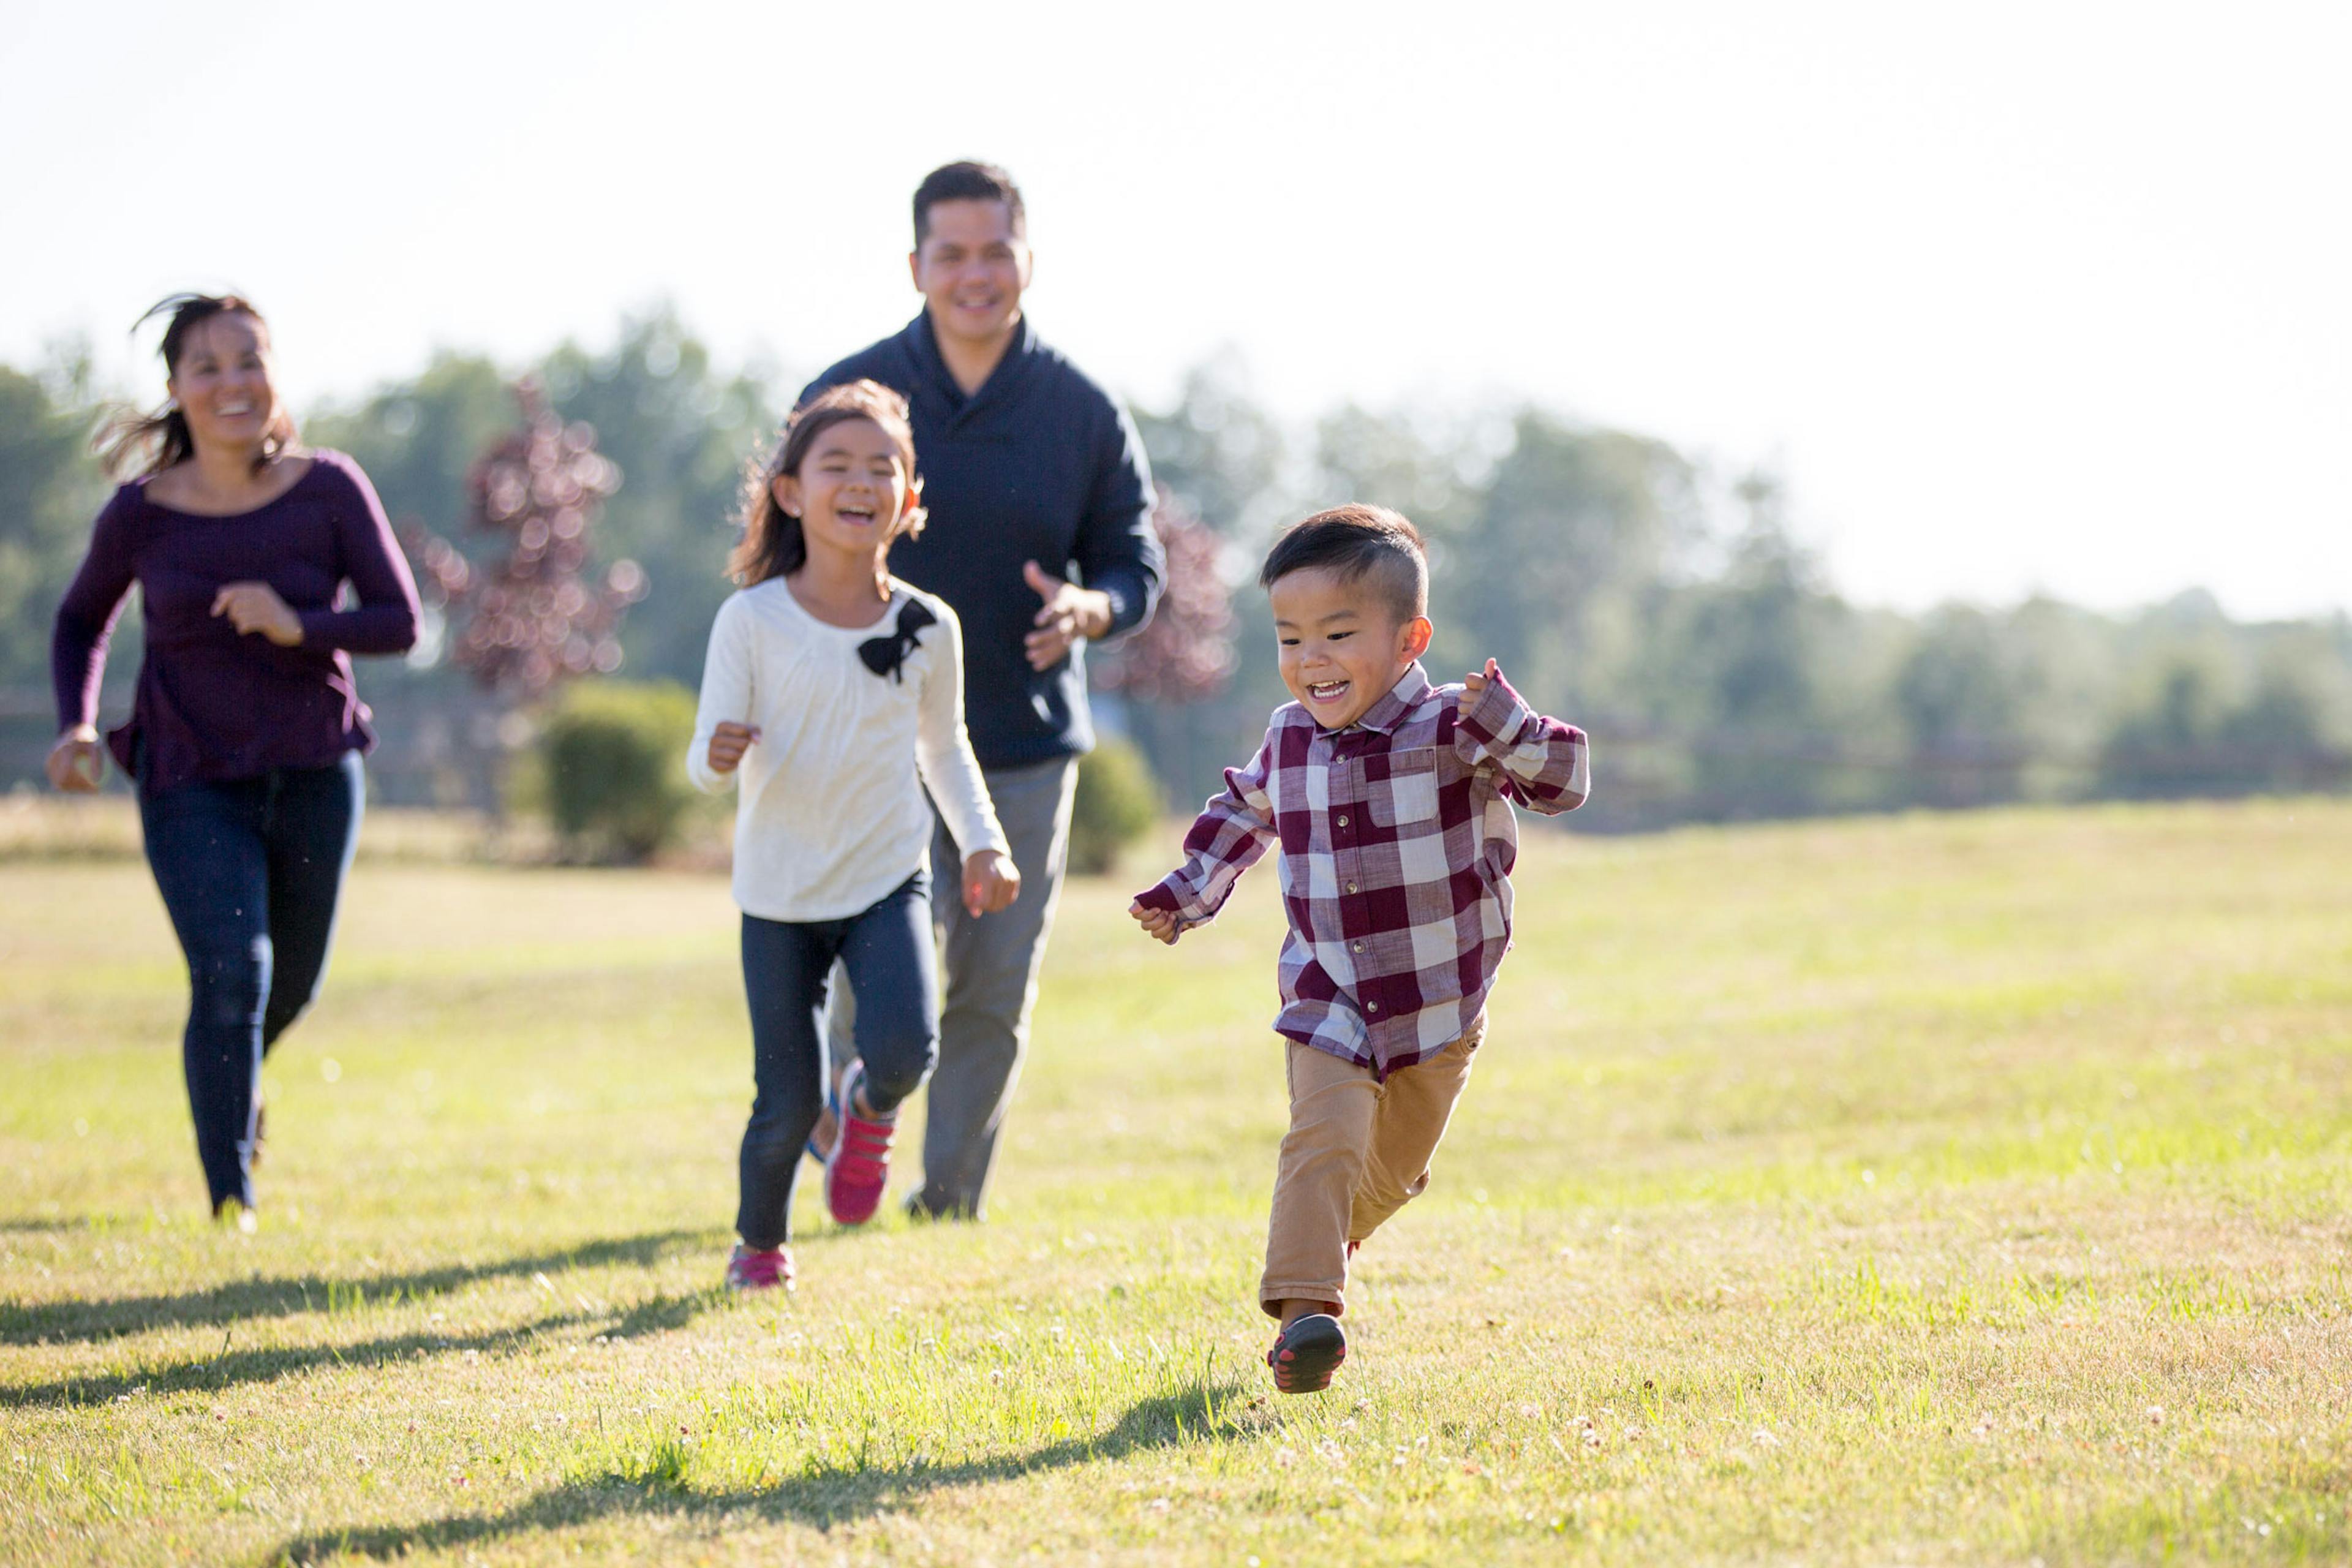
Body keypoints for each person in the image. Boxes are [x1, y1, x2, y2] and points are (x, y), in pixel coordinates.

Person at [1128, 505, 1591, 1392]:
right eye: (1290, 637)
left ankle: (1333, 1233)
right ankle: (1308, 1315)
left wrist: (1512, 727)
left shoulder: (1460, 727)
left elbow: (1566, 782)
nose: (1312, 660)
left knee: (1388, 1174)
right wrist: (1186, 895)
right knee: (1322, 1136)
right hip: (1328, 987)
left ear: (1410, 637)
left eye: (1339, 634)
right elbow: (1242, 815)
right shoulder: (1287, 734)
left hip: (1440, 1003)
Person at [798, 160, 1164, 1219]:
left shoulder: (1083, 411)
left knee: (992, 991)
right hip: (871, 738)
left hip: (1026, 744)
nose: (974, 274)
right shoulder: (850, 395)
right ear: (915, 265)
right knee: (870, 977)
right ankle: (847, 1130)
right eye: (951, 254)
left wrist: (1095, 609)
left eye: (995, 251)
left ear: (1027, 262)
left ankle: (946, 1202)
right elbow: (786, 550)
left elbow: (1137, 562)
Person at [47, 293, 421, 1230]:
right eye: (206, 367)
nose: (231, 383)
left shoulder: (329, 486)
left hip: (313, 770)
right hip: (188, 775)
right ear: (175, 389)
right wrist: (79, 723)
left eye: (247, 361)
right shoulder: (141, 514)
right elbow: (80, 618)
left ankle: (236, 1092)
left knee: (289, 983)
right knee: (232, 971)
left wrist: (300, 624)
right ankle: (231, 1199)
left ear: (274, 372)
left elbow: (400, 620)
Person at [688, 380, 1019, 1290]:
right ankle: (760, 1248)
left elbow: (943, 747)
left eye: (884, 467)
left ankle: (868, 1109)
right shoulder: (750, 620)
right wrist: (715, 757)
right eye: (837, 464)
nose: (861, 481)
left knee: (909, 1046)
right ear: (791, 491)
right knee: (784, 1103)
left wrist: (984, 842)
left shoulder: (928, 625)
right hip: (777, 893)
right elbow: (704, 762)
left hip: (885, 876)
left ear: (910, 501)